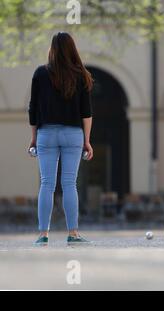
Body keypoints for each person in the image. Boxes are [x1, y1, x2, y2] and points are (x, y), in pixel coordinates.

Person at [28, 32, 94, 246]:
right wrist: (87, 140)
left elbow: (33, 109)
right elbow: (86, 112)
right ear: (72, 49)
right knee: (69, 184)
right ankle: (73, 233)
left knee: (46, 184)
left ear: (52, 49)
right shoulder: (81, 74)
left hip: (46, 133)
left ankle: (42, 234)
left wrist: (33, 137)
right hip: (73, 134)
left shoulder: (40, 73)